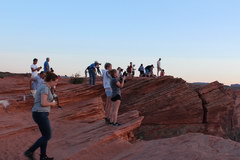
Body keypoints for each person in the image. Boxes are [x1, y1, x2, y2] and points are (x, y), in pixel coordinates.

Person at [24, 72, 59, 160]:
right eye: (55, 82)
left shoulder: (45, 87)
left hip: (39, 113)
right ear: (51, 80)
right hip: (40, 113)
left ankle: (43, 156)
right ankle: (29, 151)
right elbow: (43, 103)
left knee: (45, 135)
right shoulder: (44, 88)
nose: (56, 84)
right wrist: (53, 103)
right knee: (47, 136)